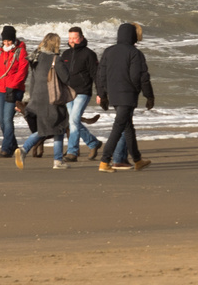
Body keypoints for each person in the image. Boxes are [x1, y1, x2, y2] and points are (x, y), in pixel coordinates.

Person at [97, 21, 154, 172]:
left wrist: (103, 95)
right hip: (127, 96)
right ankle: (104, 161)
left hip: (114, 96)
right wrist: (149, 96)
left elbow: (101, 75)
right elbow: (140, 77)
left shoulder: (108, 51)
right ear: (133, 36)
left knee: (128, 128)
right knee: (118, 127)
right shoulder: (135, 53)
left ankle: (137, 160)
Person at [16, 33, 71, 169]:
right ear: (55, 44)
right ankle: (26, 150)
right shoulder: (56, 59)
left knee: (49, 128)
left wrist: (31, 99)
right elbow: (66, 79)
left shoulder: (36, 57)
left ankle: (57, 160)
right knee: (57, 126)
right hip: (52, 98)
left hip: (37, 98)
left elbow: (32, 80)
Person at [56, 26, 103, 162]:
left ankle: (72, 152)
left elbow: (96, 75)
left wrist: (100, 93)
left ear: (81, 38)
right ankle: (93, 143)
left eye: (75, 38)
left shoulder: (89, 54)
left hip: (83, 91)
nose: (72, 41)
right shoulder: (65, 54)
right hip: (68, 92)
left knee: (73, 120)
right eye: (70, 38)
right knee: (73, 122)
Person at [0, 25, 28, 157]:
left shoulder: (21, 52)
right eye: (5, 41)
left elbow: (22, 72)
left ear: (14, 40)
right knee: (0, 119)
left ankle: (6, 149)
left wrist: (12, 86)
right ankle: (13, 145)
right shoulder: (0, 52)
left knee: (8, 119)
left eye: (9, 41)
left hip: (14, 90)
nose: (6, 44)